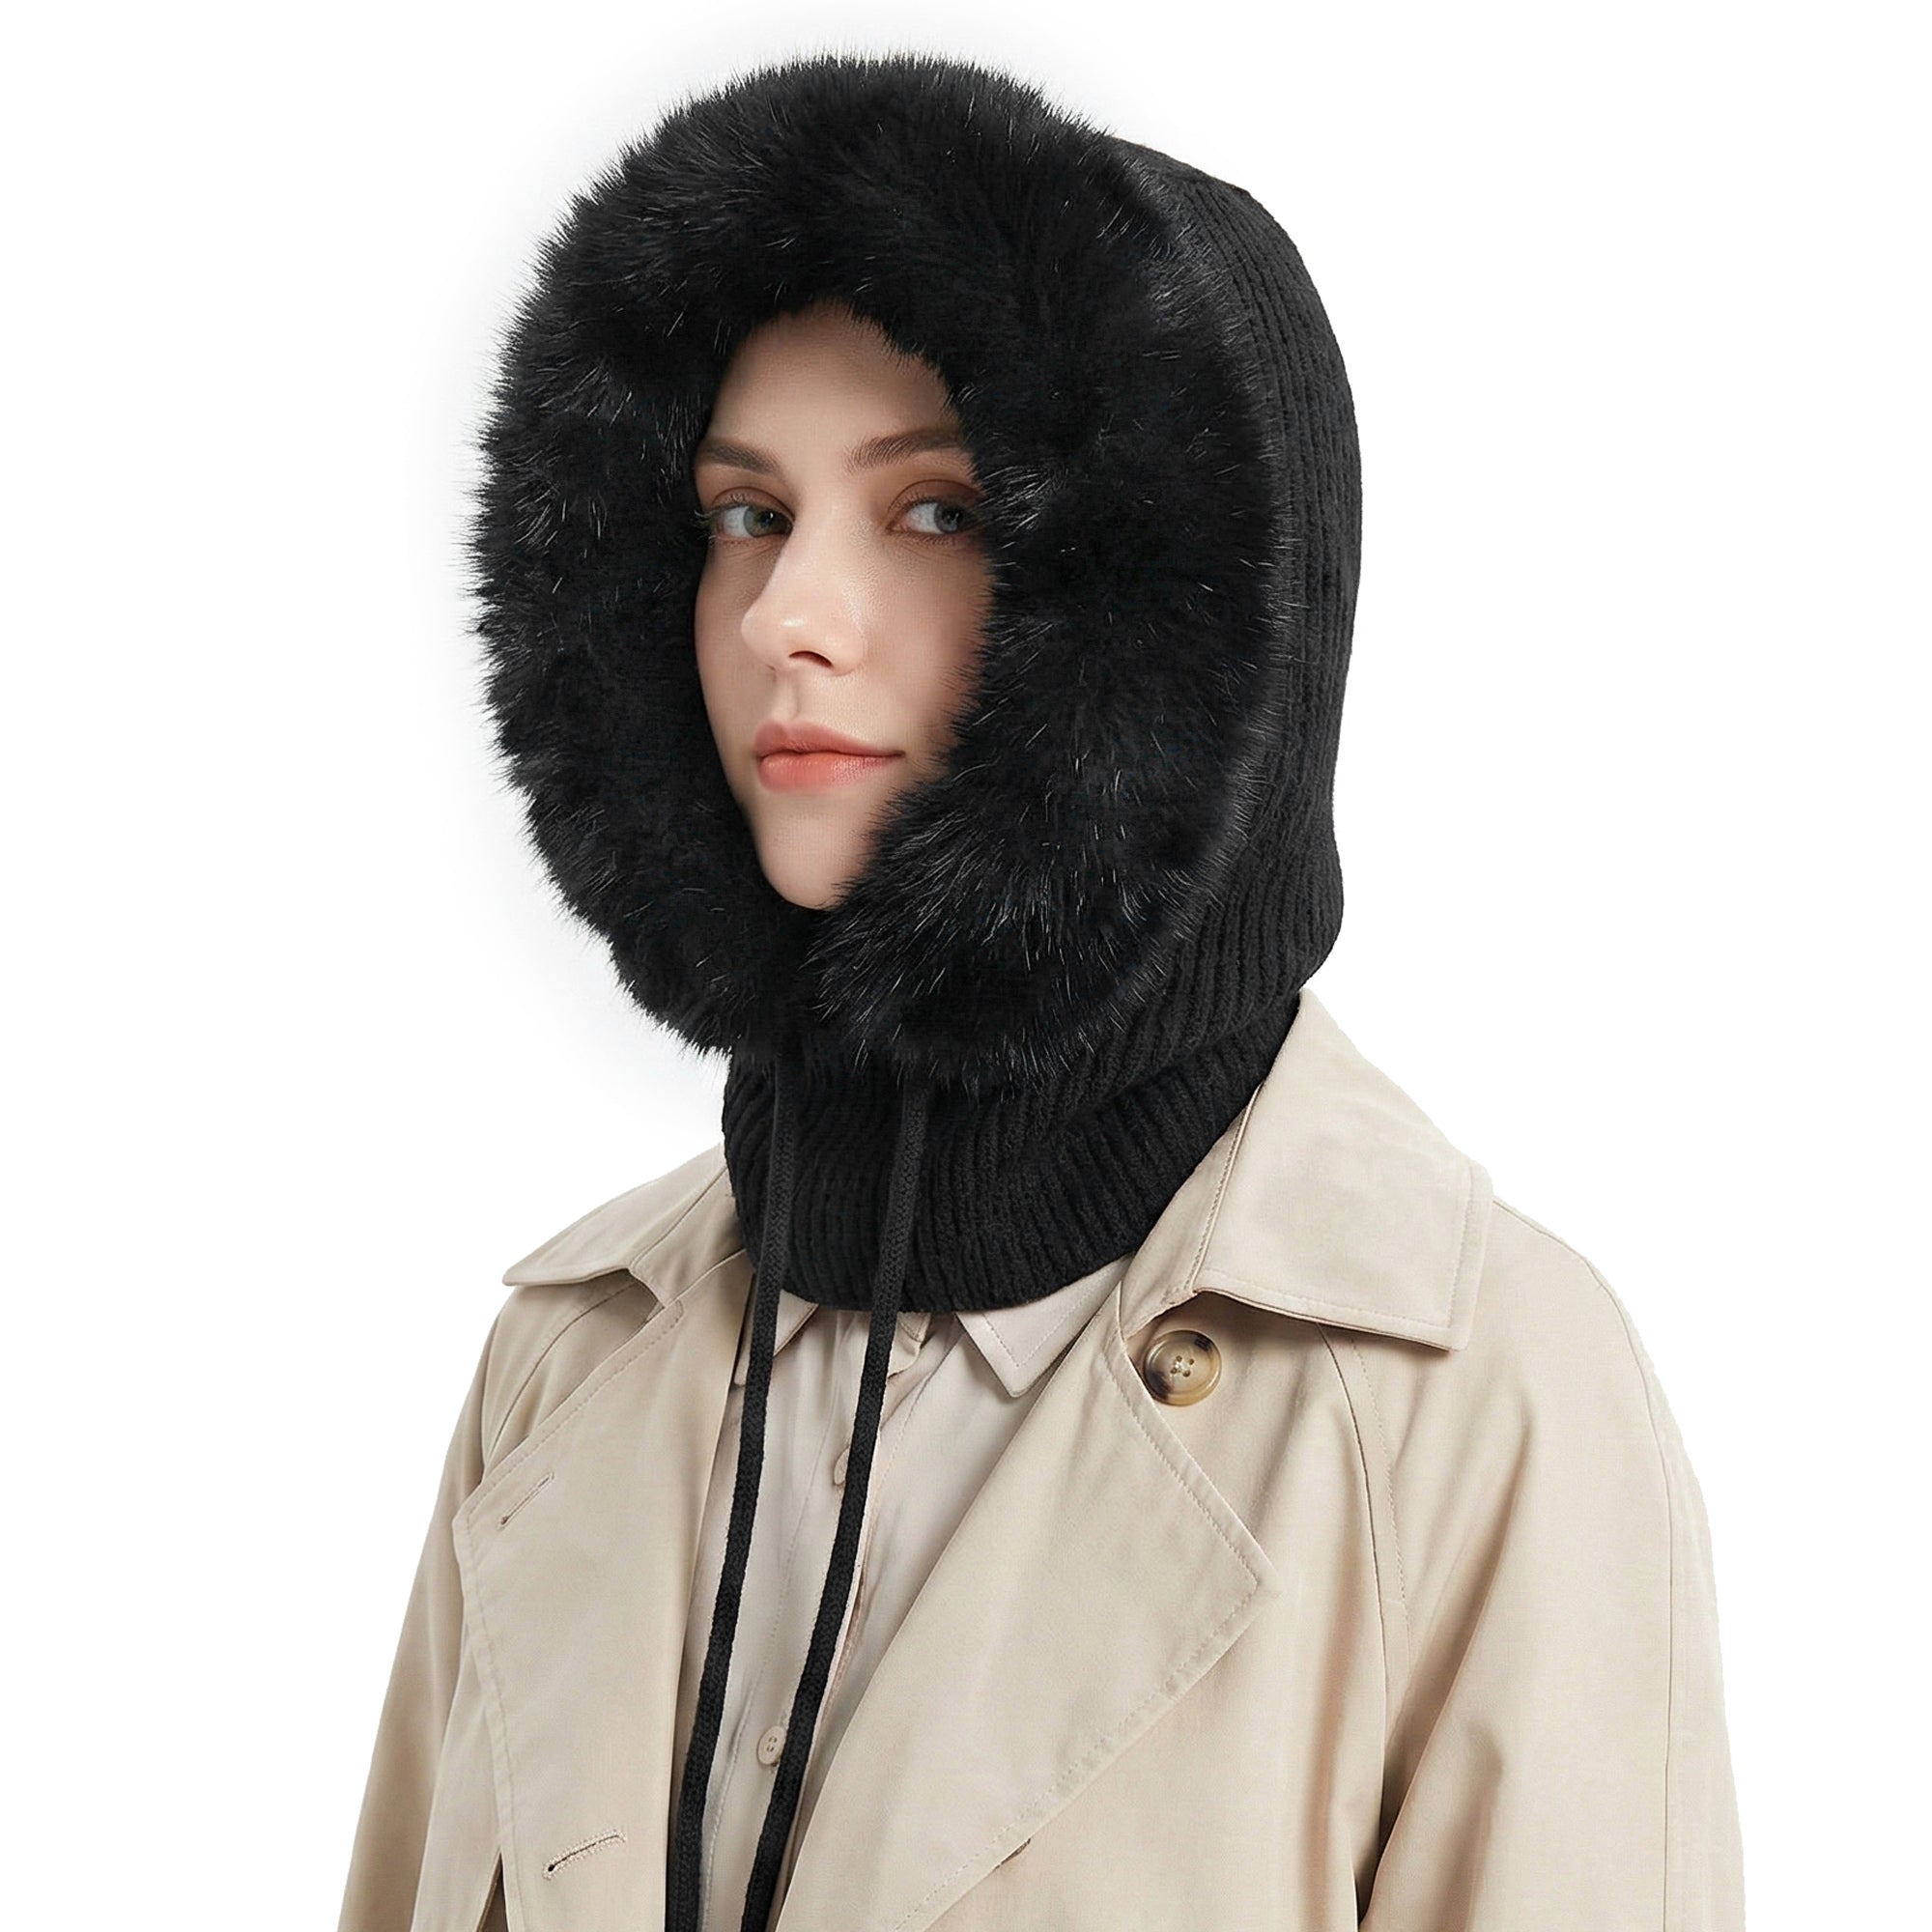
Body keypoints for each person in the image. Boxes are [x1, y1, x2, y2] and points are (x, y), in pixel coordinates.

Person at [336, 49, 1746, 1932]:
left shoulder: (1479, 1409)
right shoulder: (570, 1362)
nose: (784, 617)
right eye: (745, 513)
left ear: (1181, 619)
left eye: (936, 512)